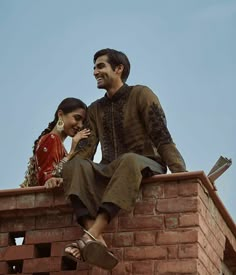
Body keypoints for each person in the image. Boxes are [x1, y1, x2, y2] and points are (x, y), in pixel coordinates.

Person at [63, 49, 187, 270]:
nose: (95, 72)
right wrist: (59, 174)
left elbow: (161, 135)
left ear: (118, 69)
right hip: (111, 168)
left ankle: (90, 235)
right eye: (94, 67)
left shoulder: (142, 94)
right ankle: (95, 237)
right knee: (74, 166)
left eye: (100, 66)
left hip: (147, 163)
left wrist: (181, 173)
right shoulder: (95, 109)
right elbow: (86, 150)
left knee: (129, 159)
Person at [21, 97, 90, 188]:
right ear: (60, 115)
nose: (80, 125)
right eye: (77, 118)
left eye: (83, 122)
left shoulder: (57, 143)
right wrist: (72, 152)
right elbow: (49, 178)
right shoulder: (51, 138)